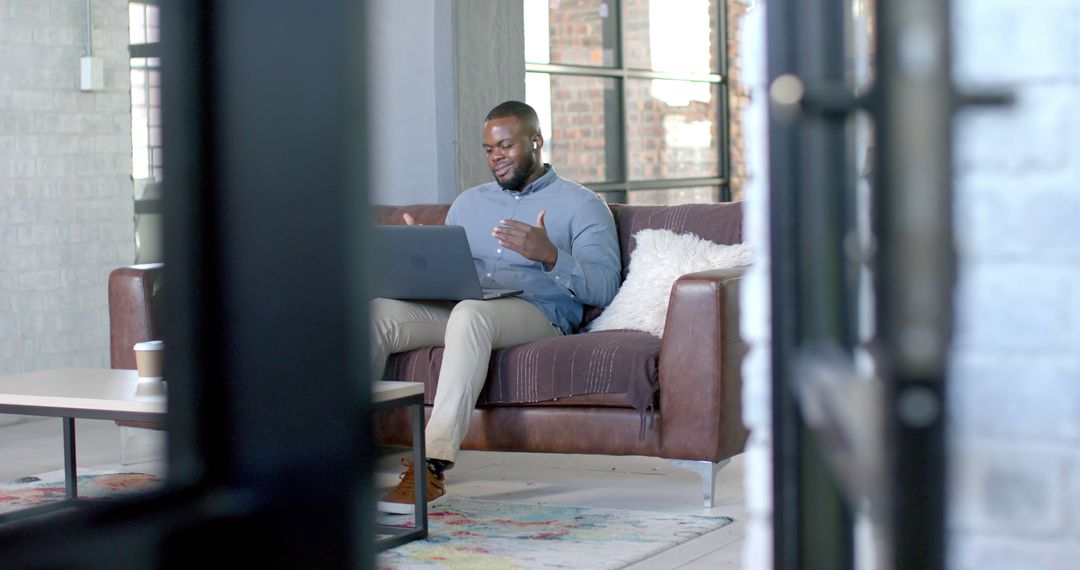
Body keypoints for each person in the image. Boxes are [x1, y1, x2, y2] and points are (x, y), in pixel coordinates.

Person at [372, 100, 621, 513]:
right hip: (466, 306)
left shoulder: (582, 205)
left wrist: (550, 255)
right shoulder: (469, 203)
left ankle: (431, 465)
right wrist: (419, 255)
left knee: (471, 316)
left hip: (536, 312)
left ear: (536, 141)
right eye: (489, 150)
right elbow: (454, 271)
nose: (496, 158)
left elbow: (606, 286)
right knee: (379, 312)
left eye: (506, 147)